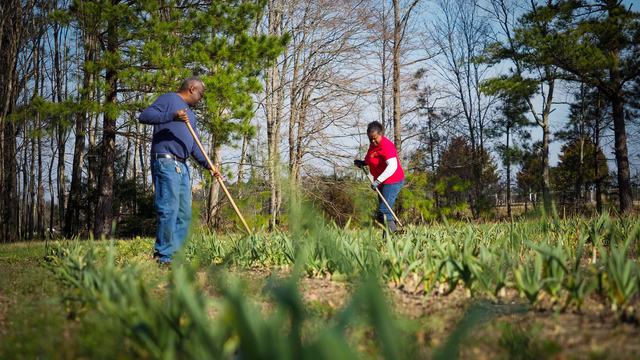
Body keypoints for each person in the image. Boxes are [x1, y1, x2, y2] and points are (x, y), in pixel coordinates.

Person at [139, 77, 220, 264]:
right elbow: (144, 116)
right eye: (201, 94)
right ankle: (164, 256)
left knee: (184, 214)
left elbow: (194, 147)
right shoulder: (169, 100)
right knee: (169, 209)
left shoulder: (191, 116)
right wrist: (171, 116)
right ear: (192, 88)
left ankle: (177, 256)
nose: (201, 99)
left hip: (182, 166)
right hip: (166, 162)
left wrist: (210, 166)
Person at [354, 121, 405, 234]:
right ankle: (392, 236)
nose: (372, 141)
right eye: (370, 139)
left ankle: (392, 237)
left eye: (375, 138)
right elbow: (371, 159)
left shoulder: (387, 146)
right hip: (381, 182)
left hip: (393, 181)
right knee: (383, 212)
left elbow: (392, 166)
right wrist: (362, 163)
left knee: (384, 211)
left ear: (381, 134)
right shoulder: (373, 145)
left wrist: (377, 181)